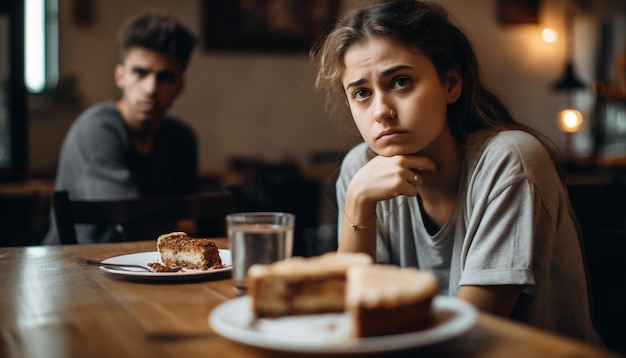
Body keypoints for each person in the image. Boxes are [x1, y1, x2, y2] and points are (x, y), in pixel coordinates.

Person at [311, 0, 602, 346]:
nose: (381, 111)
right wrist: (358, 204)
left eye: (401, 82)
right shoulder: (361, 170)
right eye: (361, 93)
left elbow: (469, 332)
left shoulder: (511, 161)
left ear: (451, 84)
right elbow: (354, 315)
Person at [44, 11, 198, 244]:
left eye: (165, 77)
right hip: (75, 270)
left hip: (149, 267)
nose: (150, 88)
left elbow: (191, 222)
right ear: (120, 76)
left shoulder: (181, 137)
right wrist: (173, 223)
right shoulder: (96, 131)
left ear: (181, 85)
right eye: (140, 72)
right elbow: (132, 221)